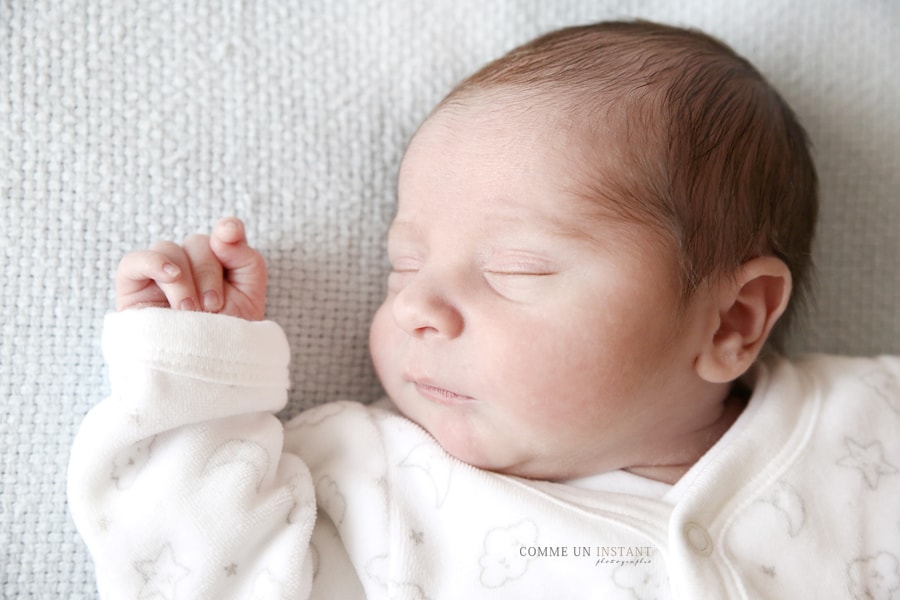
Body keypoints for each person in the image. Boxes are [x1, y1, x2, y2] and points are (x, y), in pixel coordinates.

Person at [68, 20, 900, 599]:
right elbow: (195, 574)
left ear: (733, 322)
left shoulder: (866, 431)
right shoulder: (370, 483)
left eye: (515, 268)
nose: (419, 306)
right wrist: (200, 372)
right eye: (405, 263)